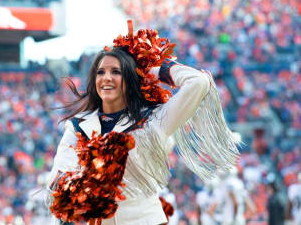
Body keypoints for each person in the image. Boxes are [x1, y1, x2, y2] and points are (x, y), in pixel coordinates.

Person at [47, 20, 240, 225]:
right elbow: (56, 182)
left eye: (116, 72)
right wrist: (83, 187)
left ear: (130, 79)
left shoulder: (153, 120)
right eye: (100, 72)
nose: (106, 78)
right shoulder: (78, 126)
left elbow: (199, 83)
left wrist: (158, 70)